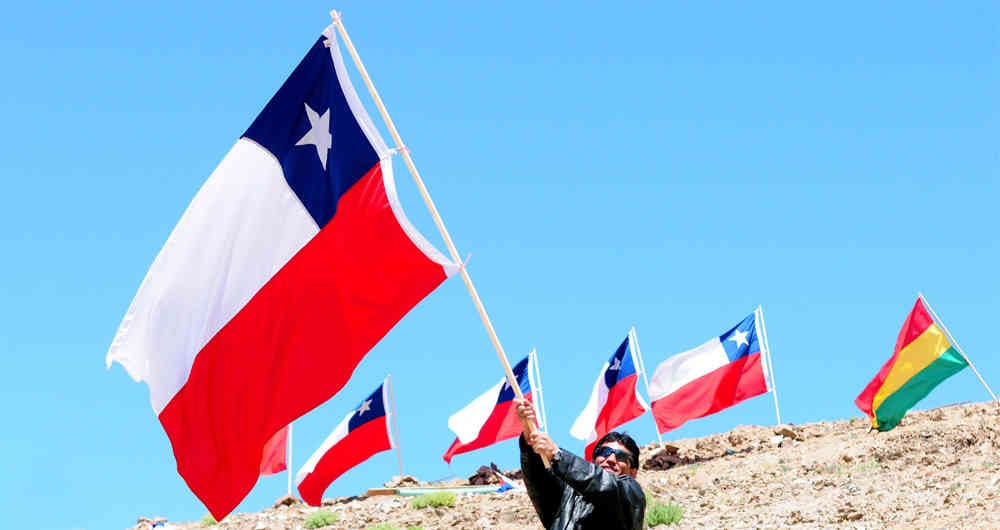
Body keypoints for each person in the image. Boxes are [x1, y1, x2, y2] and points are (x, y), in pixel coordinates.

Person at [515, 398, 645, 530]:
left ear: (633, 471)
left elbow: (607, 487)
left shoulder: (631, 494)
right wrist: (529, 438)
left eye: (621, 456)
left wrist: (557, 455)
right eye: (605, 452)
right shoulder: (566, 499)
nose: (611, 458)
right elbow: (539, 482)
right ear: (593, 461)